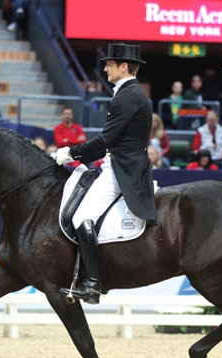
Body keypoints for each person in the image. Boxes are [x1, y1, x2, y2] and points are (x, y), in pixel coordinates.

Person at [54, 43, 156, 304]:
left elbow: (106, 139)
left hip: (121, 169)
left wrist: (71, 153)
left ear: (123, 67)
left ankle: (92, 283)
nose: (105, 68)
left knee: (82, 216)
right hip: (125, 163)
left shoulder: (126, 95)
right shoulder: (132, 93)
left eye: (110, 64)